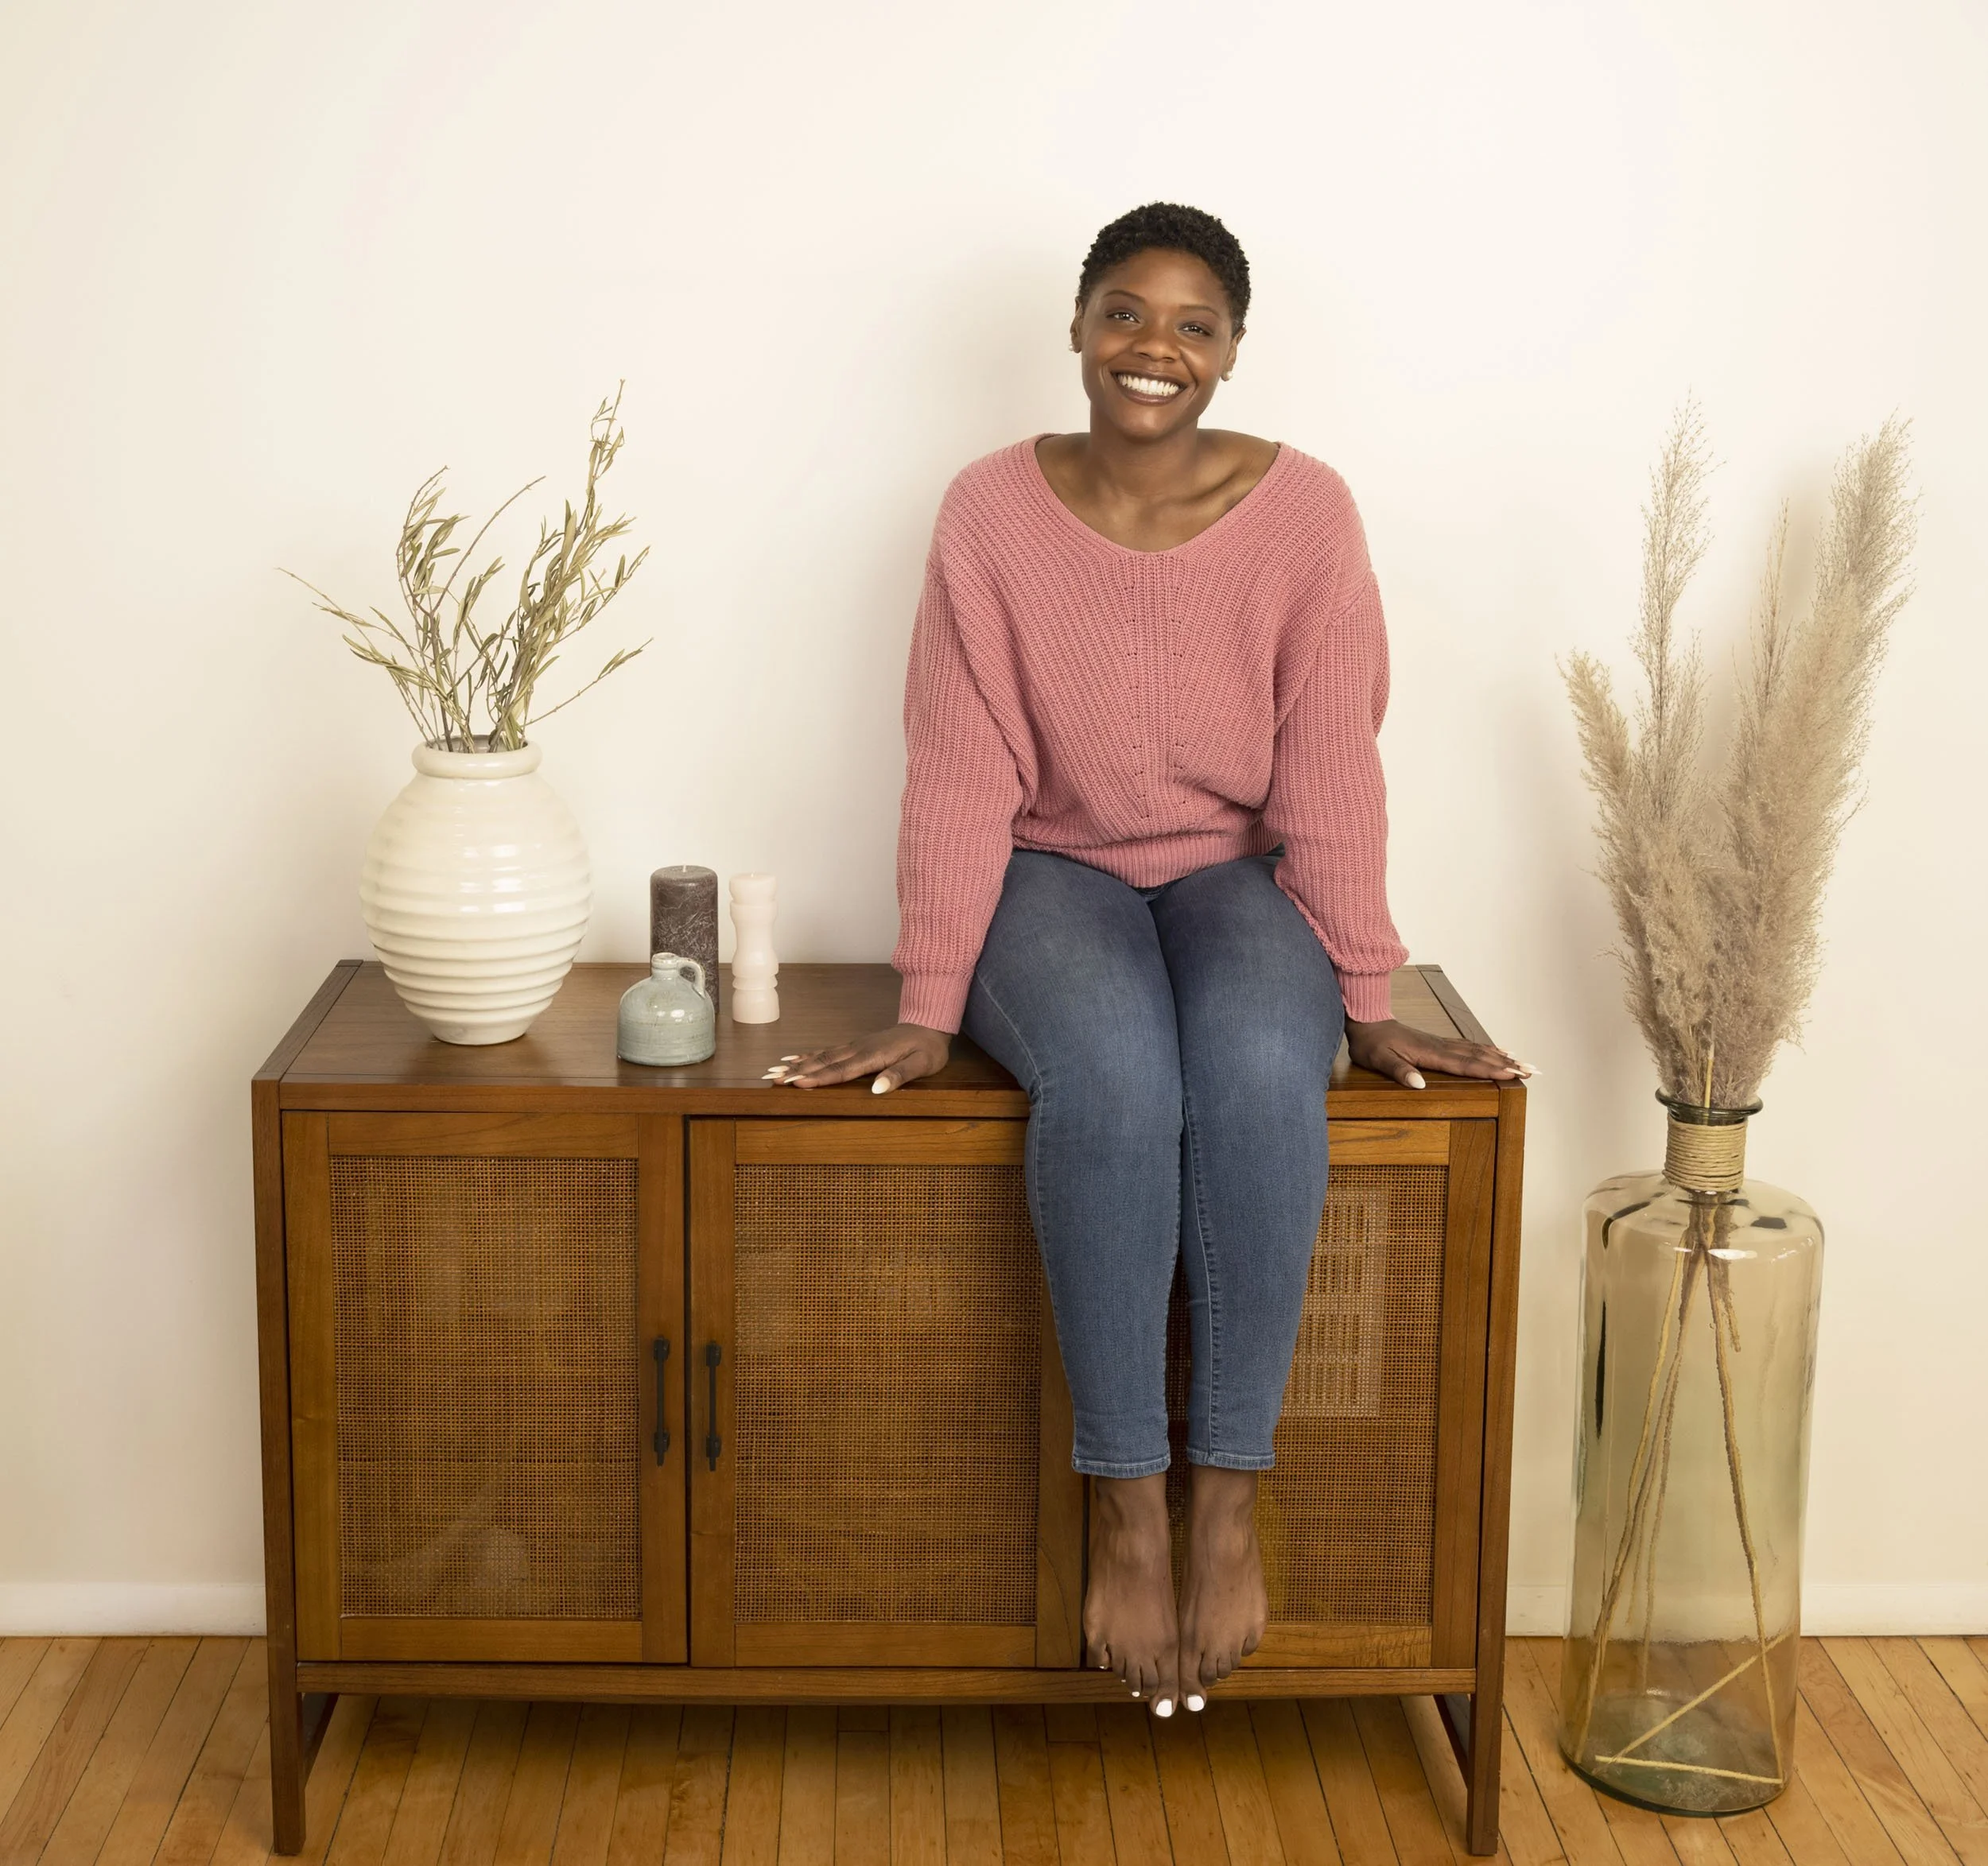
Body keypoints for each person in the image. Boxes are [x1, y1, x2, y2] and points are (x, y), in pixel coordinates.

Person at [769, 203, 1532, 1720]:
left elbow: (1332, 759)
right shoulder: (987, 511)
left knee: (1258, 1063)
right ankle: (1125, 1495)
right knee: (1114, 1079)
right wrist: (929, 1003)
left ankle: (1229, 1489)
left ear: (1234, 352)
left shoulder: (1307, 512)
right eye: (1126, 313)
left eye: (1192, 325)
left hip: (1232, 871)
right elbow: (958, 758)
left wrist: (1367, 996)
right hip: (1047, 873)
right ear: (1074, 327)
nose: (1155, 348)